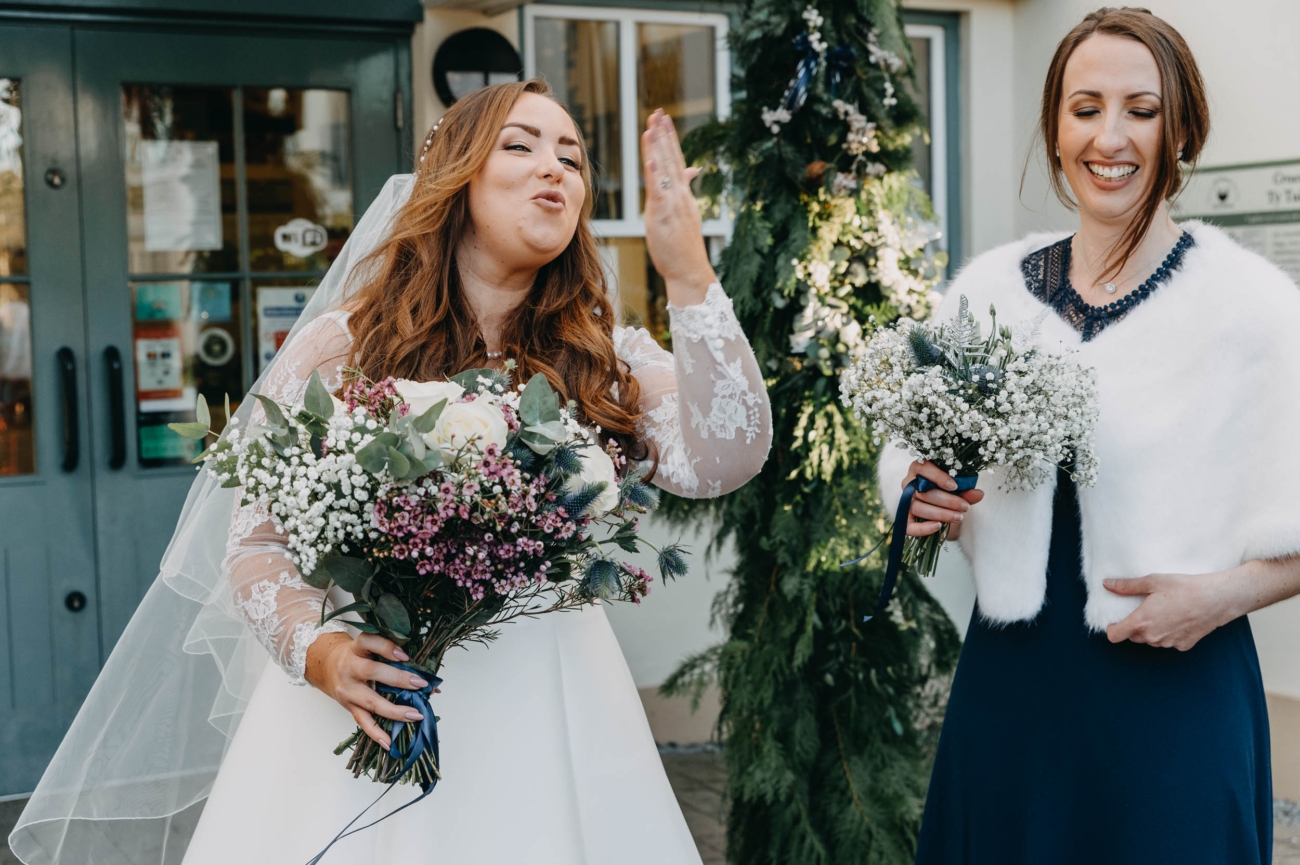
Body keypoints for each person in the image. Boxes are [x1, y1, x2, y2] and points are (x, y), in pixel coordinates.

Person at [10, 80, 771, 864]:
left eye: (573, 158)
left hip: (556, 703)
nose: (556, 168)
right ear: (457, 178)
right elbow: (254, 540)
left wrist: (687, 273)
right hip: (368, 698)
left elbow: (726, 454)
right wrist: (318, 650)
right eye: (522, 145)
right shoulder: (345, 346)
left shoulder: (604, 357)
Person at [879, 9, 1300, 863]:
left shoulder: (1251, 306)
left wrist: (1219, 598)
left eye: (1141, 110)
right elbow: (912, 449)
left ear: (1181, 130)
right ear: (1054, 126)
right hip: (1014, 690)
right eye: (1085, 107)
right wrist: (919, 496)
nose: (1110, 137)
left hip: (1177, 696)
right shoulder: (987, 291)